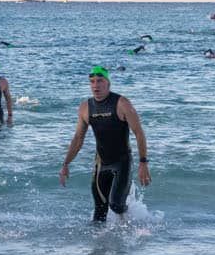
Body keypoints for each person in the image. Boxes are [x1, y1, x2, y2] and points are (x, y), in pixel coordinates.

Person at [59, 65, 151, 223]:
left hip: (122, 162)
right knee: (99, 212)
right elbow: (78, 138)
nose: (96, 85)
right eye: (92, 82)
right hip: (101, 164)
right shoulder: (85, 108)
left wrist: (143, 163)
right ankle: (98, 245)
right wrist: (66, 163)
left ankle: (129, 224)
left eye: (100, 81)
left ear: (108, 83)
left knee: (115, 205)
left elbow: (139, 133)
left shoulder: (122, 103)